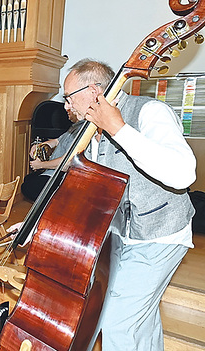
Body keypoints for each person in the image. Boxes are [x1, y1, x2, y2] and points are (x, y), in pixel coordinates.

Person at [62, 59, 196, 351]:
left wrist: (118, 128)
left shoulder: (150, 111)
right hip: (121, 236)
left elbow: (184, 174)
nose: (66, 106)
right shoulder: (89, 135)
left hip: (161, 233)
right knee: (139, 318)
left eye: (69, 97)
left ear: (95, 91)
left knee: (117, 324)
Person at [20, 112, 83, 201]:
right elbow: (57, 141)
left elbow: (67, 163)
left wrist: (40, 165)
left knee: (28, 187)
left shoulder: (81, 131)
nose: (66, 108)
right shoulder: (75, 126)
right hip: (52, 172)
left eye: (70, 105)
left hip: (60, 176)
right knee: (28, 179)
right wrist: (39, 146)